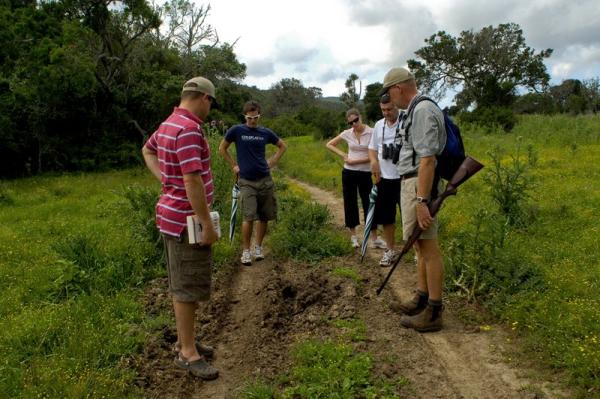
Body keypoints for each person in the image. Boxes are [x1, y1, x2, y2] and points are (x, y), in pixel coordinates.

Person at [141, 76, 220, 379]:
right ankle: (187, 353)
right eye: (210, 104)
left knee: (182, 283)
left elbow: (146, 151)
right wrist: (205, 224)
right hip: (186, 221)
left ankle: (187, 341)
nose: (209, 111)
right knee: (186, 289)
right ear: (204, 98)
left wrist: (165, 180)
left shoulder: (168, 123)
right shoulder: (188, 129)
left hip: (170, 217)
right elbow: (191, 179)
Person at [379, 67, 447, 332]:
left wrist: (421, 201)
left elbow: (428, 159)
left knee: (428, 248)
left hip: (419, 185)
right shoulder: (417, 110)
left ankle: (434, 310)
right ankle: (421, 298)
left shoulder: (422, 111)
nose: (389, 99)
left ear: (398, 88)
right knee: (419, 245)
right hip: (411, 182)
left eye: (389, 92)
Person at [219, 100, 287, 266]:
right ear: (245, 116)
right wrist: (234, 165)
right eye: (249, 118)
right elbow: (222, 148)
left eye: (255, 117)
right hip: (246, 181)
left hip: (265, 180)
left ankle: (258, 247)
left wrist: (273, 161)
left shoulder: (265, 132)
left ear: (259, 115)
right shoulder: (236, 130)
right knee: (248, 216)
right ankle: (246, 251)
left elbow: (282, 146)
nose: (252, 121)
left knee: (264, 217)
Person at [326, 108, 386, 249]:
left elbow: (376, 155)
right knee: (350, 203)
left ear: (361, 117)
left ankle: (374, 238)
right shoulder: (347, 133)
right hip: (349, 173)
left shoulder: (372, 132)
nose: (354, 124)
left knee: (369, 203)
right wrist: (343, 155)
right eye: (350, 122)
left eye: (355, 120)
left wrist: (357, 161)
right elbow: (329, 144)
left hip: (365, 173)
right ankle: (353, 237)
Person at [368, 94, 402, 267]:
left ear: (397, 105)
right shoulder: (378, 125)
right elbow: (372, 149)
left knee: (410, 217)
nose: (386, 113)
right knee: (387, 218)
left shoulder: (406, 121)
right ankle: (390, 250)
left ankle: (419, 252)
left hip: (404, 178)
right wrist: (374, 161)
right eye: (383, 110)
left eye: (390, 109)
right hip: (384, 178)